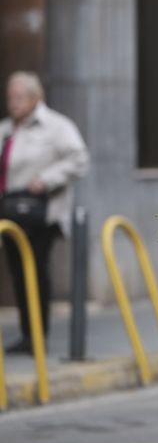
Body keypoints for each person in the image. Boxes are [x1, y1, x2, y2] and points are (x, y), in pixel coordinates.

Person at [0, 71, 89, 353]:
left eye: (19, 97)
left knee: (35, 272)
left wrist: (45, 180)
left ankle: (38, 337)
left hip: (41, 214)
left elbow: (79, 159)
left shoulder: (55, 126)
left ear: (36, 97)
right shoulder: (6, 129)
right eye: (10, 97)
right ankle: (28, 335)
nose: (13, 103)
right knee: (17, 273)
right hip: (10, 212)